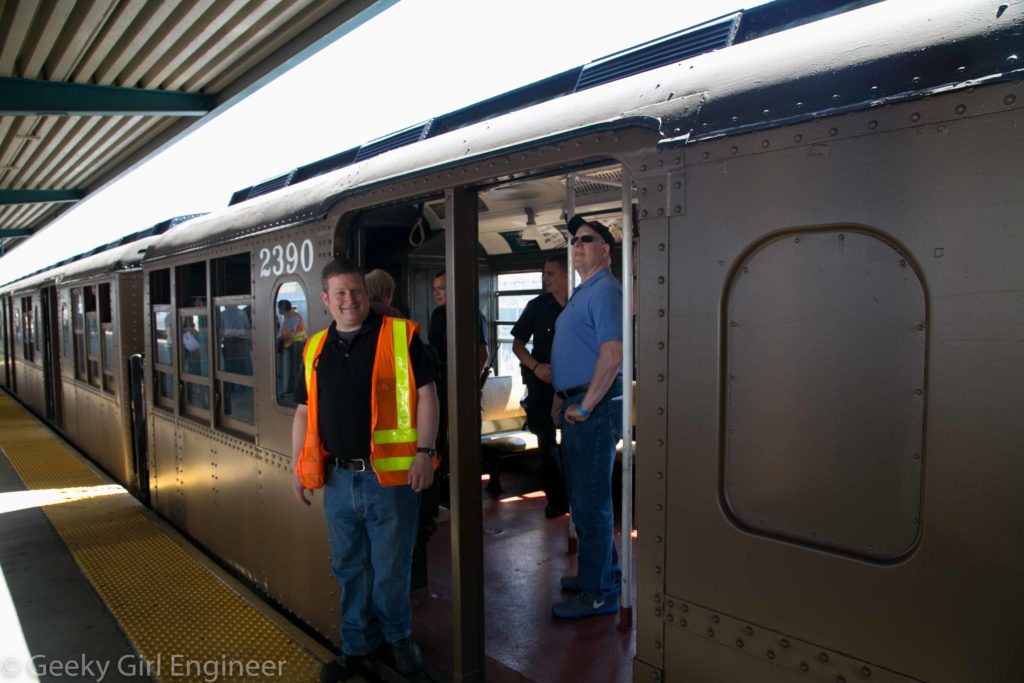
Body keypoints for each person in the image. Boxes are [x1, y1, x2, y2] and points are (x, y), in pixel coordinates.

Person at [291, 259, 439, 681]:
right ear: (325, 299)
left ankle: (397, 638)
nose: (349, 300)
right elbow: (303, 412)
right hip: (338, 478)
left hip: (389, 478)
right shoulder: (315, 347)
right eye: (339, 293)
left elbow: (427, 397)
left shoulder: (401, 335)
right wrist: (299, 467)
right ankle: (356, 646)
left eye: (355, 291)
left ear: (365, 293)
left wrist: (425, 452)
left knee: (391, 566)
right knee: (349, 566)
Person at [549, 215, 623, 619]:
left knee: (591, 505)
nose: (577, 245)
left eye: (587, 240)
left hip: (591, 411)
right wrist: (562, 397)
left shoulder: (606, 291)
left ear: (605, 250)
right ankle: (602, 575)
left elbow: (613, 356)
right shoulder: (584, 291)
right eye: (574, 240)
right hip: (576, 406)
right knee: (584, 502)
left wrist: (585, 405)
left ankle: (598, 594)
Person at [511, 254, 569, 518]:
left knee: (572, 444)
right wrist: (536, 367)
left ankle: (573, 497)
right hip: (541, 383)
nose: (545, 279)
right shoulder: (536, 306)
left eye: (551, 274)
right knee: (546, 443)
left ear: (566, 275)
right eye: (544, 273)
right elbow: (517, 345)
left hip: (572, 385)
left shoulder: (579, 305)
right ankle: (556, 501)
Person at [427, 270, 492, 491]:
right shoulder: (437, 315)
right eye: (434, 289)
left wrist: (465, 383)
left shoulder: (471, 315)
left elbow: (482, 354)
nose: (437, 293)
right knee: (438, 433)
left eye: (441, 288)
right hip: (439, 382)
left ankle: (465, 484)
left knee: (464, 437)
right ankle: (442, 482)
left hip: (463, 386)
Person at [276, 299, 306, 400]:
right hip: (292, 345)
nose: (278, 309)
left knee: (294, 368)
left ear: (282, 308)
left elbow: (291, 333)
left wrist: (279, 339)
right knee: (292, 368)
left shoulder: (293, 317)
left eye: (278, 307)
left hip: (296, 344)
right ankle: (291, 389)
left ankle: (293, 391)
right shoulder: (288, 317)